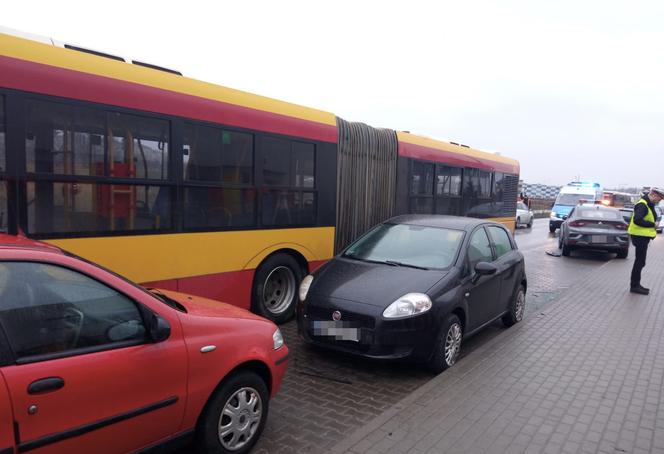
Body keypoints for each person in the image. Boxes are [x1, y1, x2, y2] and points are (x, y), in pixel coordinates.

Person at [628, 187, 664, 294]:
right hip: (640, 237)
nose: (659, 200)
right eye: (659, 198)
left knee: (640, 262)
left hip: (642, 237)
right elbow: (637, 220)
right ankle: (634, 286)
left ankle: (636, 284)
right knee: (640, 262)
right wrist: (652, 225)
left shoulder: (648, 204)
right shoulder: (642, 204)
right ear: (653, 194)